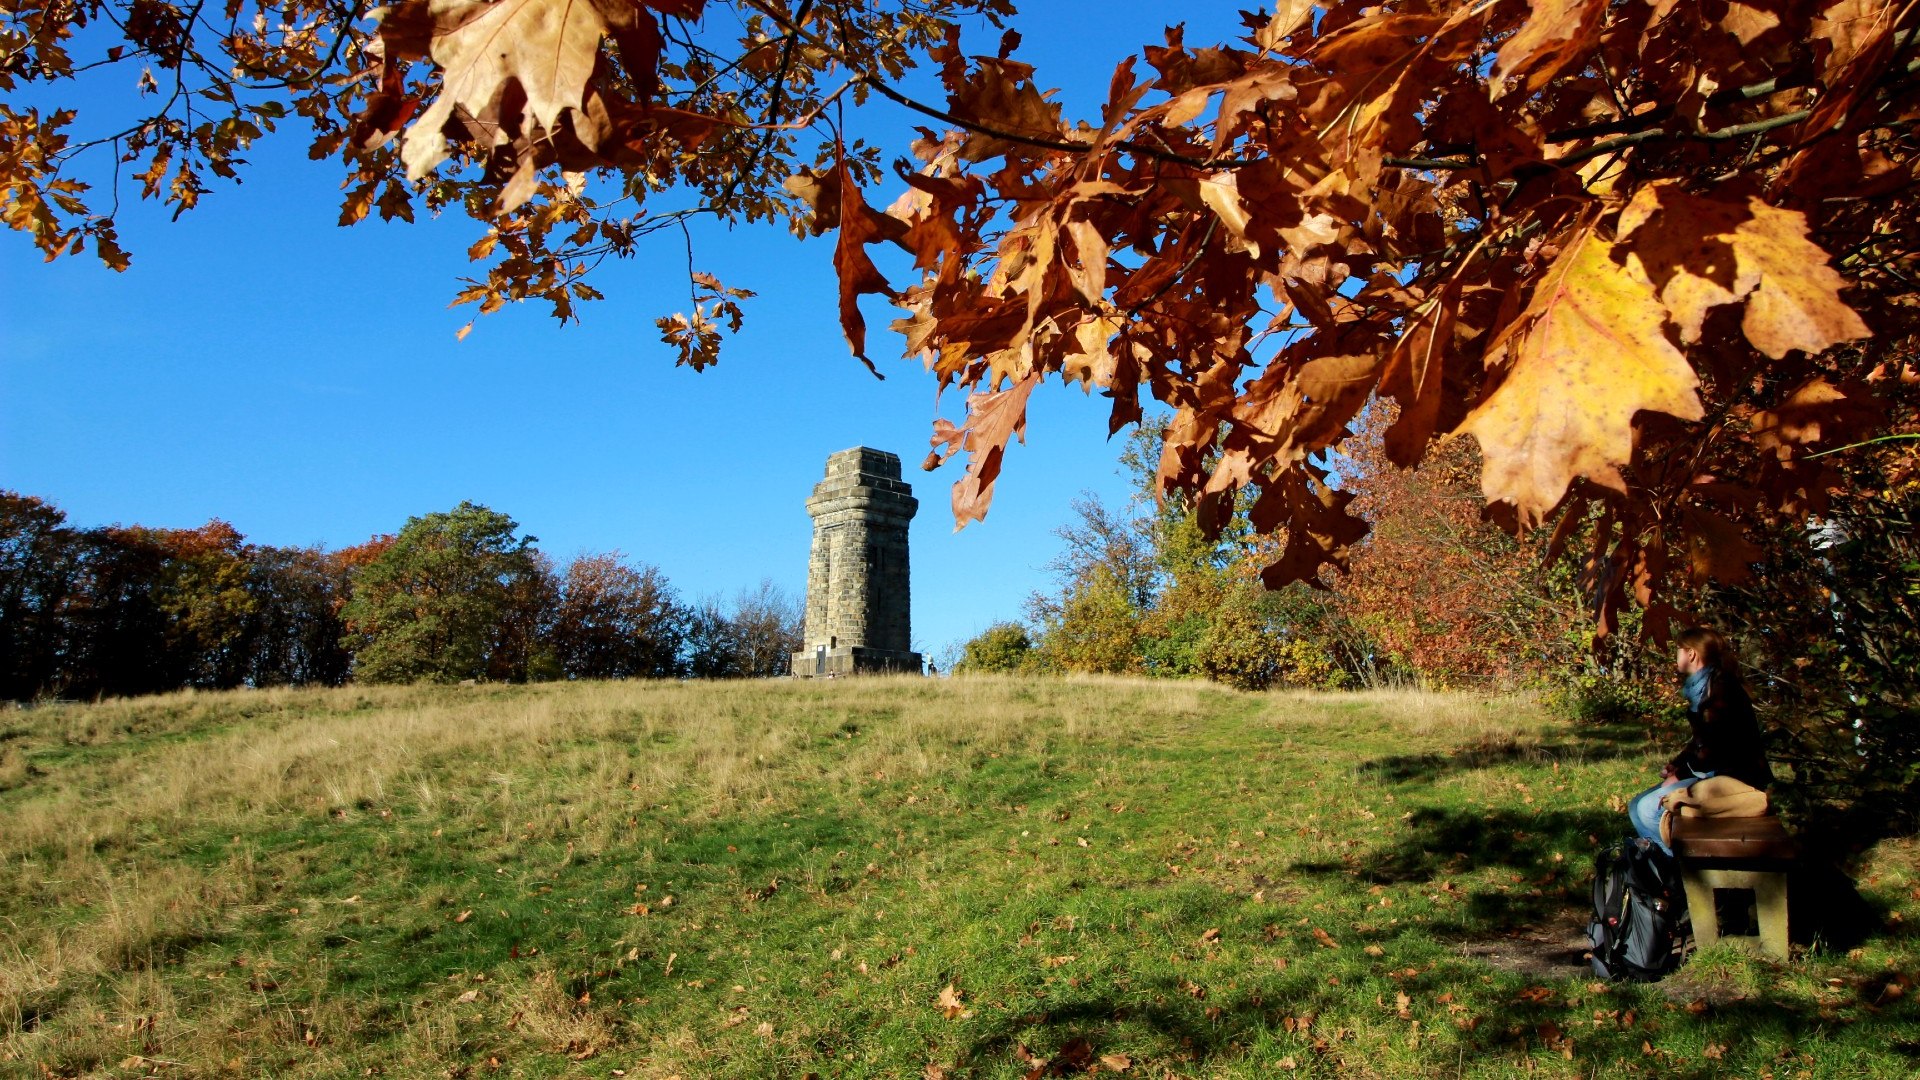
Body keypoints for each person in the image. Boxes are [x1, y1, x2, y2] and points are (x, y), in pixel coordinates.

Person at [1627, 627, 1771, 852]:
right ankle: (1662, 871)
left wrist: (1680, 776)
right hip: (1712, 772)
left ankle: (1685, 871)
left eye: (1678, 650)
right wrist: (1678, 763)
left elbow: (1718, 746)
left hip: (1736, 778)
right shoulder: (1703, 686)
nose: (1676, 656)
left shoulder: (1721, 688)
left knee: (1647, 809)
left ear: (1691, 654)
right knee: (1635, 805)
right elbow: (1701, 740)